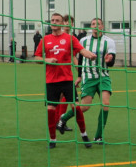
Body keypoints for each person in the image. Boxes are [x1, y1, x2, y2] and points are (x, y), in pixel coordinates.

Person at [35, 12, 97, 148]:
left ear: (63, 23)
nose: (54, 22)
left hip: (67, 80)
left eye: (57, 20)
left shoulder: (69, 38)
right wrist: (47, 60)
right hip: (51, 81)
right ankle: (53, 140)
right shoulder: (45, 39)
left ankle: (84, 135)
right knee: (51, 109)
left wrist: (91, 55)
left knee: (76, 107)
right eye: (52, 20)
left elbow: (81, 51)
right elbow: (37, 58)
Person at [59, 17, 116, 144]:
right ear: (91, 26)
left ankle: (98, 136)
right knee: (84, 107)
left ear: (102, 26)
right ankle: (63, 118)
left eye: (98, 24)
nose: (95, 25)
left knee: (105, 104)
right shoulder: (84, 41)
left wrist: (109, 60)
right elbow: (79, 60)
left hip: (103, 76)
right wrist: (79, 76)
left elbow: (112, 61)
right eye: (93, 24)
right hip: (88, 77)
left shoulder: (110, 42)